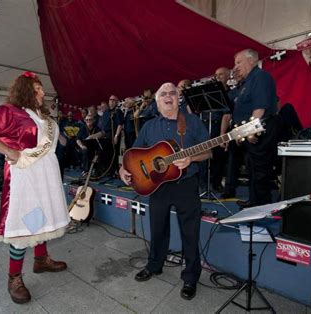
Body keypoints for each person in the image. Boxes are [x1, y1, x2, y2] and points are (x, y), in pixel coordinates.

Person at [0, 71, 69, 304]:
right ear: (26, 90)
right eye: (38, 88)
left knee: (42, 217)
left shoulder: (42, 117)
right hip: (25, 175)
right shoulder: (11, 112)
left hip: (47, 174)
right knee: (24, 222)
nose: (43, 92)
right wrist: (8, 151)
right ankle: (14, 277)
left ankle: (41, 259)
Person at [119, 82, 211, 301]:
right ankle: (154, 265)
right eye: (163, 94)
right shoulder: (150, 126)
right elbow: (134, 154)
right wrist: (123, 169)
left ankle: (190, 277)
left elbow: (208, 151)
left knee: (190, 232)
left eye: (173, 93)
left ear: (179, 98)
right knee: (157, 229)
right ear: (157, 102)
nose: (168, 96)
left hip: (186, 185)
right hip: (157, 186)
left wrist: (191, 157)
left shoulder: (192, 122)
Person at [232, 49, 282, 208]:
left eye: (239, 62)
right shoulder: (247, 82)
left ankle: (261, 206)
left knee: (260, 170)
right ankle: (255, 201)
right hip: (250, 132)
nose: (235, 66)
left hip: (260, 130)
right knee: (252, 168)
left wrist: (249, 131)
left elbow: (259, 108)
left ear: (252, 60)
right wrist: (241, 134)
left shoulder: (260, 77)